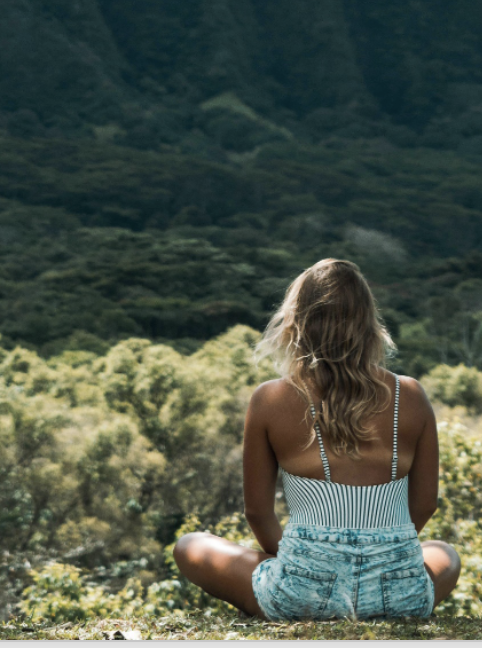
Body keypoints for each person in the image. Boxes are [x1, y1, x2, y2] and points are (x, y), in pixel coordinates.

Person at [174, 257, 461, 621]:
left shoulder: (270, 399)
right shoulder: (412, 395)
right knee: (444, 553)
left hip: (302, 594)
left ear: (297, 321)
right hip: (400, 594)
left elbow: (258, 512)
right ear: (369, 322)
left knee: (190, 544)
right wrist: (379, 554)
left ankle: (300, 592)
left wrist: (310, 563)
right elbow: (424, 504)